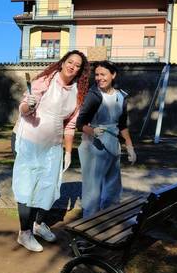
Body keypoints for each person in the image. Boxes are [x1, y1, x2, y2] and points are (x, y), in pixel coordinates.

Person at [12, 51, 90, 252]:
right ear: (63, 62)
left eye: (77, 65)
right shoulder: (46, 80)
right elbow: (23, 108)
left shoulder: (77, 92)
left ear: (81, 70)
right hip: (29, 139)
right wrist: (27, 107)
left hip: (53, 145)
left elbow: (71, 125)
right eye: (70, 62)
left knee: (47, 187)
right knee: (27, 186)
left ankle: (38, 225)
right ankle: (25, 233)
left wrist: (68, 151)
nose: (72, 66)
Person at [76, 61, 136, 218]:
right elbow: (80, 124)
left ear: (113, 75)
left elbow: (122, 125)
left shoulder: (121, 97)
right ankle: (88, 225)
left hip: (112, 145)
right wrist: (93, 130)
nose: (99, 78)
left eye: (103, 74)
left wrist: (129, 146)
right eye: (96, 75)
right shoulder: (94, 95)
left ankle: (108, 220)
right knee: (92, 189)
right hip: (93, 147)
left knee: (112, 186)